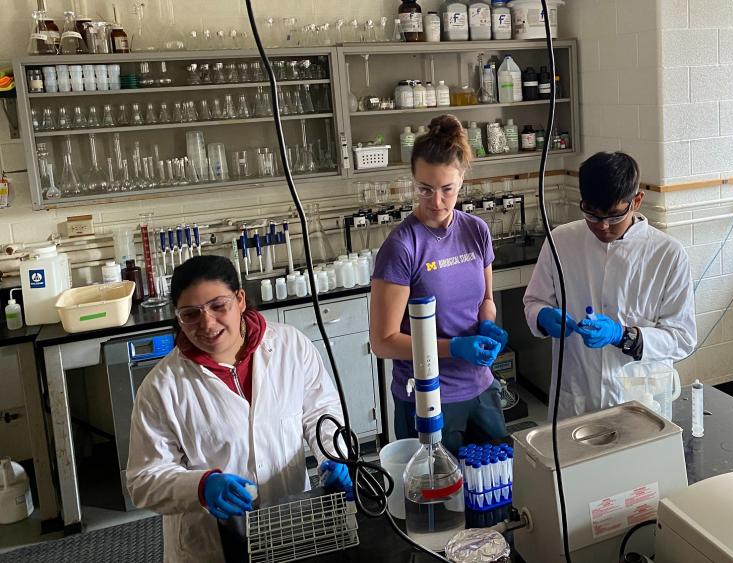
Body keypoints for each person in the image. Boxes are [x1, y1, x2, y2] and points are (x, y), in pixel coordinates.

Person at [126, 255, 353, 563]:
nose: (207, 323)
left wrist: (335, 456)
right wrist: (201, 487)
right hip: (208, 546)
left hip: (289, 522)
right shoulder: (161, 387)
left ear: (240, 299)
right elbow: (144, 479)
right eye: (191, 314)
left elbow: (321, 412)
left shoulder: (290, 346)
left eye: (219, 306)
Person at [523, 151, 697, 420]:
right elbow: (534, 301)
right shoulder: (561, 241)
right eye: (592, 215)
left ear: (636, 201)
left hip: (640, 402)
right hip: (576, 398)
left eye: (615, 216)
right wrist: (544, 316)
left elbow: (682, 338)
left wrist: (623, 335)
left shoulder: (668, 254)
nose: (603, 226)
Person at [371, 114, 509, 452]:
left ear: (462, 179)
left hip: (481, 389)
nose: (436, 202)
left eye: (447, 189)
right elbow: (383, 342)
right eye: (425, 189)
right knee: (438, 501)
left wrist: (488, 325)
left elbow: (485, 300)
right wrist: (453, 348)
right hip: (427, 398)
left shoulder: (476, 231)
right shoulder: (402, 247)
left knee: (496, 490)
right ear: (413, 181)